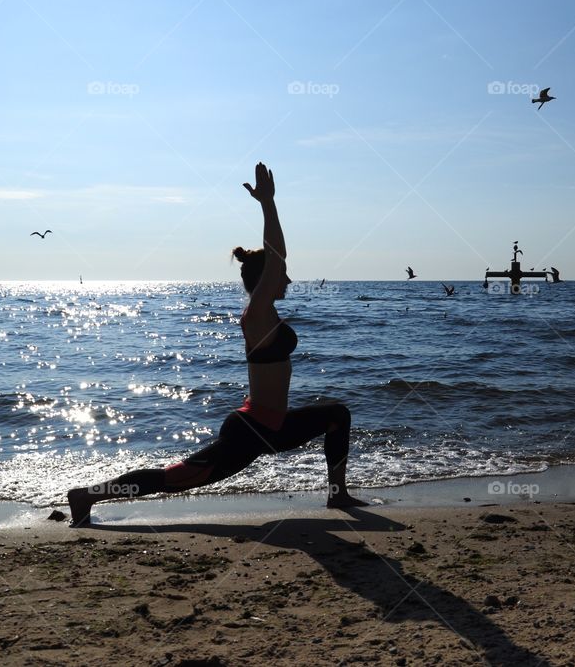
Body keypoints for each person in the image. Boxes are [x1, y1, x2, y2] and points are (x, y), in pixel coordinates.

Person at [67, 162, 366, 525]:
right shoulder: (256, 313)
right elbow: (277, 257)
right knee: (172, 480)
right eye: (279, 275)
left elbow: (277, 262)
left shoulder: (266, 311)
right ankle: (86, 496)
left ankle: (338, 496)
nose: (287, 278)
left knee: (337, 415)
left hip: (274, 426)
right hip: (252, 431)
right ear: (266, 280)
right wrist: (268, 204)